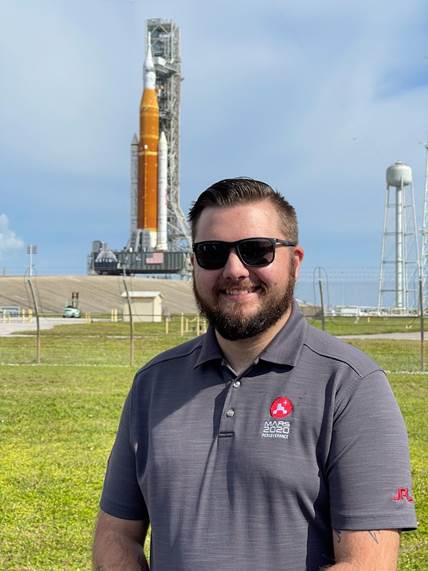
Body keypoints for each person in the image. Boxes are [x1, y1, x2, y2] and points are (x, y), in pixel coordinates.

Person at [93, 178, 416, 570]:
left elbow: (368, 563)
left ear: (294, 262)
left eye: (256, 251)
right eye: (212, 252)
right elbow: (116, 534)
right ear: (193, 263)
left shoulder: (349, 386)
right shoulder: (153, 384)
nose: (234, 269)